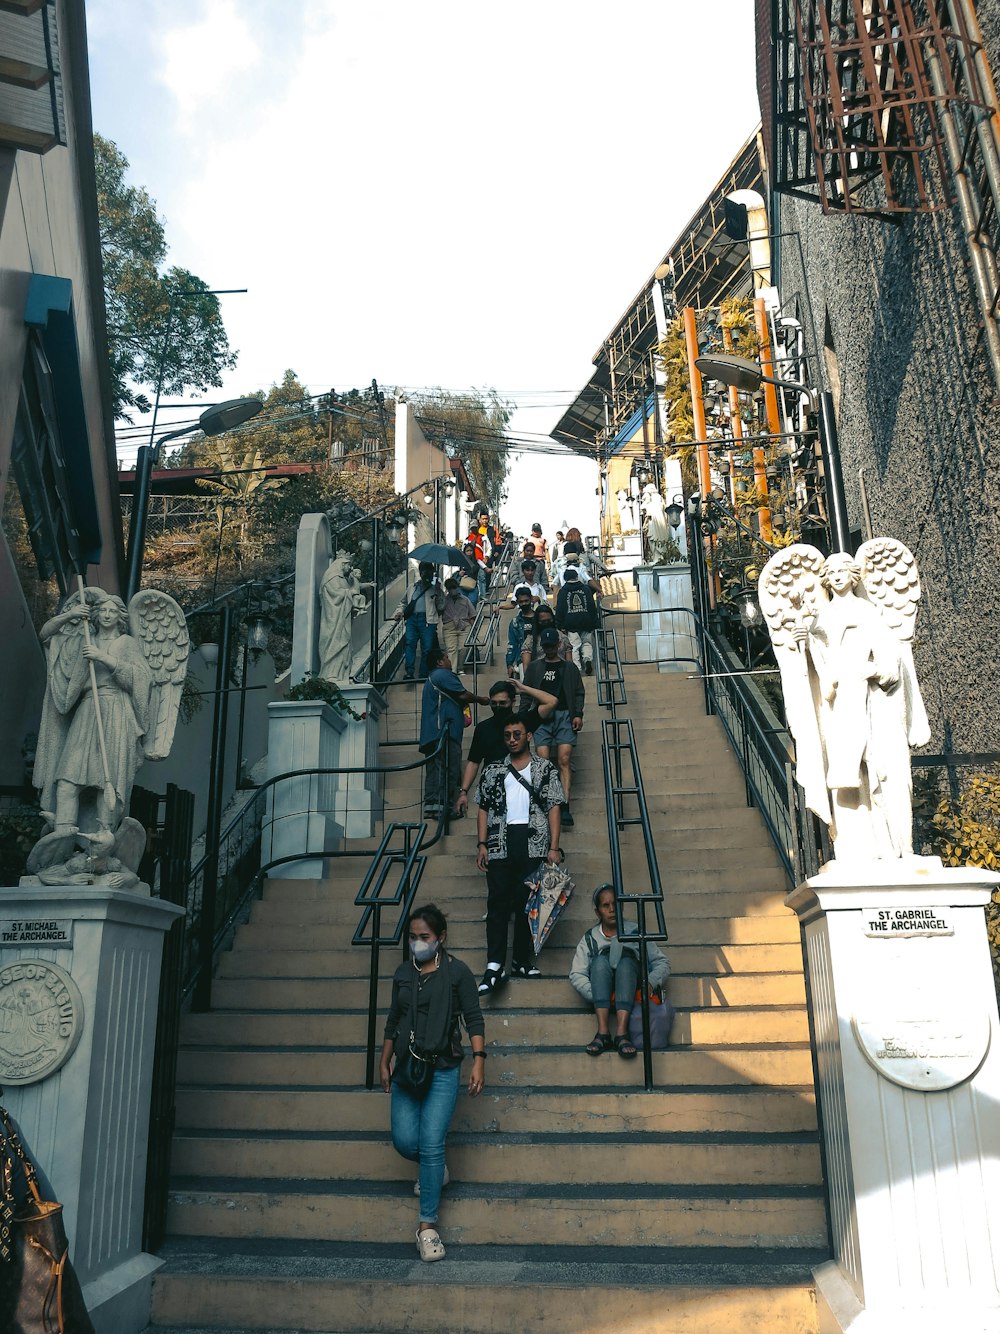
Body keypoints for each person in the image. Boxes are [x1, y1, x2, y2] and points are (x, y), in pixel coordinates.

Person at [380, 904, 486, 1262]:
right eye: (412, 937)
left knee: (430, 1140)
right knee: (405, 1140)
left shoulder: (458, 973)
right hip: (408, 1067)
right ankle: (434, 1169)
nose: (417, 943)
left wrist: (478, 1062)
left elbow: (474, 1019)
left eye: (424, 937)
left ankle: (427, 1227)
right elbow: (394, 1018)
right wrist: (383, 1060)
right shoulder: (402, 974)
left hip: (443, 1067)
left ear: (441, 938)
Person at [476, 716, 564, 991]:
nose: (512, 739)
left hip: (534, 841)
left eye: (517, 734)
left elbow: (553, 807)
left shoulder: (544, 768)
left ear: (528, 736)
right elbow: (483, 808)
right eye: (507, 735)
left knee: (529, 904)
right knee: (498, 903)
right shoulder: (492, 770)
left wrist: (553, 847)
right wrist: (481, 844)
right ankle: (495, 964)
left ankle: (522, 961)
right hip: (500, 841)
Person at [569, 884, 671, 1059]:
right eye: (605, 906)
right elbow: (576, 974)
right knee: (600, 961)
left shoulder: (635, 931)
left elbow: (662, 962)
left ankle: (622, 1034)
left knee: (626, 962)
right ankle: (603, 1033)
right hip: (603, 989)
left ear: (622, 905)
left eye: (615, 904)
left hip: (631, 984)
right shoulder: (590, 938)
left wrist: (650, 983)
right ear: (598, 912)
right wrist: (598, 994)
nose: (611, 910)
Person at [454, 678, 558, 816]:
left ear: (513, 702)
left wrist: (524, 689)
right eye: (494, 703)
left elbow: (552, 701)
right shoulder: (482, 728)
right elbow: (474, 762)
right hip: (493, 787)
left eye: (503, 703)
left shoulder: (523, 721)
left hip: (520, 786)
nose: (498, 707)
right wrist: (464, 792)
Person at [523, 627, 585, 828]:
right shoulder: (534, 668)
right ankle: (545, 802)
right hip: (541, 716)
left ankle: (564, 804)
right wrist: (523, 719)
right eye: (546, 646)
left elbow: (578, 692)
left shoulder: (569, 668)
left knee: (564, 759)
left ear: (558, 645)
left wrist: (578, 714)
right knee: (542, 760)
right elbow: (526, 694)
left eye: (552, 646)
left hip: (565, 715)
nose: (549, 649)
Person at [419, 646, 489, 817]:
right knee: (449, 767)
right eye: (447, 658)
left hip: (431, 733)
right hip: (444, 732)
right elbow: (463, 695)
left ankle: (432, 806)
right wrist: (481, 700)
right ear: (440, 662)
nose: (450, 660)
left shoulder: (431, 679)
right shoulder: (443, 674)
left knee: (435, 770)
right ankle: (447, 806)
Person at [318, 552, 369, 680]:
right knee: (334, 644)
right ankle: (330, 674)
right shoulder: (332, 577)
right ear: (342, 564)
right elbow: (335, 594)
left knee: (344, 646)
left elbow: (350, 592)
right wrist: (350, 592)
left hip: (342, 619)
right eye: (348, 565)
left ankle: (340, 674)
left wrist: (353, 589)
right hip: (334, 620)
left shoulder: (341, 578)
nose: (350, 568)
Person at [394, 562, 444, 680]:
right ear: (421, 573)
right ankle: (409, 672)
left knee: (426, 647)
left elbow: (441, 607)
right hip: (412, 619)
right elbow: (404, 602)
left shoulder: (435, 590)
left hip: (428, 620)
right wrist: (399, 611)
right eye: (424, 572)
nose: (427, 575)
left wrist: (438, 592)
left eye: (429, 573)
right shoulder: (412, 587)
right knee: (410, 644)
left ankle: (423, 673)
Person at [555, 565, 600, 675]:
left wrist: (559, 624)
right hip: (586, 621)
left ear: (565, 579)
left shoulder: (563, 591)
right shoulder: (586, 589)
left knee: (574, 646)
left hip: (570, 623)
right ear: (577, 577)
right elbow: (591, 606)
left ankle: (577, 668)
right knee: (587, 643)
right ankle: (588, 660)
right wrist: (595, 621)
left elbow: (560, 608)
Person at [437, 578, 476, 672]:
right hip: (449, 626)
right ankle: (452, 670)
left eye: (454, 587)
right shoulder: (444, 600)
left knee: (463, 648)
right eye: (450, 588)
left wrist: (473, 627)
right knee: (451, 649)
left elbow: (472, 614)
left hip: (464, 625)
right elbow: (439, 609)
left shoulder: (465, 600)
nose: (452, 590)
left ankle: (460, 668)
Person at [522, 603, 572, 670]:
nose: (546, 623)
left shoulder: (563, 638)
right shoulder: (530, 641)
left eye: (549, 620)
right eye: (543, 621)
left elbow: (570, 665)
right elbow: (526, 668)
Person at [505, 585, 537, 677]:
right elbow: (512, 644)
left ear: (531, 599)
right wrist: (510, 664)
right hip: (522, 660)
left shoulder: (539, 618)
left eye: (526, 601)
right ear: (518, 602)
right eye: (521, 602)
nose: (524, 604)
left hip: (541, 658)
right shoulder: (515, 623)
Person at [457, 541, 482, 606]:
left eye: (471, 550)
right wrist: (460, 573)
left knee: (472, 602)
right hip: (463, 586)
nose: (469, 552)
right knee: (462, 604)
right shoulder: (461, 562)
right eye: (467, 551)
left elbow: (476, 570)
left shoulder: (476, 562)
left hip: (473, 586)